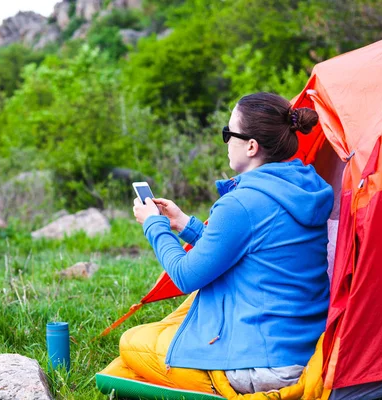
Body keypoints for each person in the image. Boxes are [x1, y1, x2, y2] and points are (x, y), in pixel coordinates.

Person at [131, 92, 333, 394]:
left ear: (251, 146)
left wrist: (153, 225)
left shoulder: (241, 204)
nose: (225, 141)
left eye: (229, 133)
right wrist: (184, 224)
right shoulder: (305, 186)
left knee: (133, 343)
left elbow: (185, 275)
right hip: (305, 348)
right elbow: (250, 250)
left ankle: (222, 384)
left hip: (264, 364)